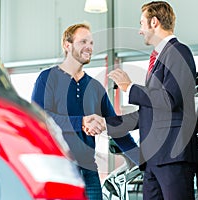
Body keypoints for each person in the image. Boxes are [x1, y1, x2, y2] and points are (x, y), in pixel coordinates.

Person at [89, 1, 198, 199]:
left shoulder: (178, 52)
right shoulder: (159, 58)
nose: (140, 30)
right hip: (154, 159)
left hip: (172, 157)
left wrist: (129, 88)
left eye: (141, 23)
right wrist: (105, 123)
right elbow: (148, 113)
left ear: (154, 22)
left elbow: (170, 99)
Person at [31, 23, 138, 200]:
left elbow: (116, 128)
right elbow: (40, 118)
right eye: (83, 42)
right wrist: (80, 122)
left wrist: (142, 160)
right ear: (67, 45)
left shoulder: (95, 88)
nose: (89, 47)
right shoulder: (47, 78)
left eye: (91, 42)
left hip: (90, 172)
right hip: (58, 171)